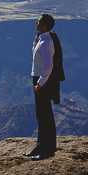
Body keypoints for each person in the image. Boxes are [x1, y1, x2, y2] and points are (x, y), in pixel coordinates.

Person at [27, 13, 58, 160]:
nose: (36, 22)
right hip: (39, 79)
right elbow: (36, 57)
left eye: (38, 21)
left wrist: (39, 84)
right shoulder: (42, 40)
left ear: (44, 25)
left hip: (42, 81)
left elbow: (48, 66)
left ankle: (48, 149)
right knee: (41, 114)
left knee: (45, 115)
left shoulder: (46, 43)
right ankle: (40, 145)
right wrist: (35, 42)